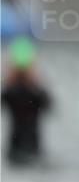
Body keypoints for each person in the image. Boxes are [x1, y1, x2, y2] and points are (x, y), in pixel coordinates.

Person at [2, 37, 52, 165]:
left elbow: (48, 105)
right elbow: (48, 105)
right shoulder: (14, 91)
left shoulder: (31, 91)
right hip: (21, 150)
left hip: (27, 149)